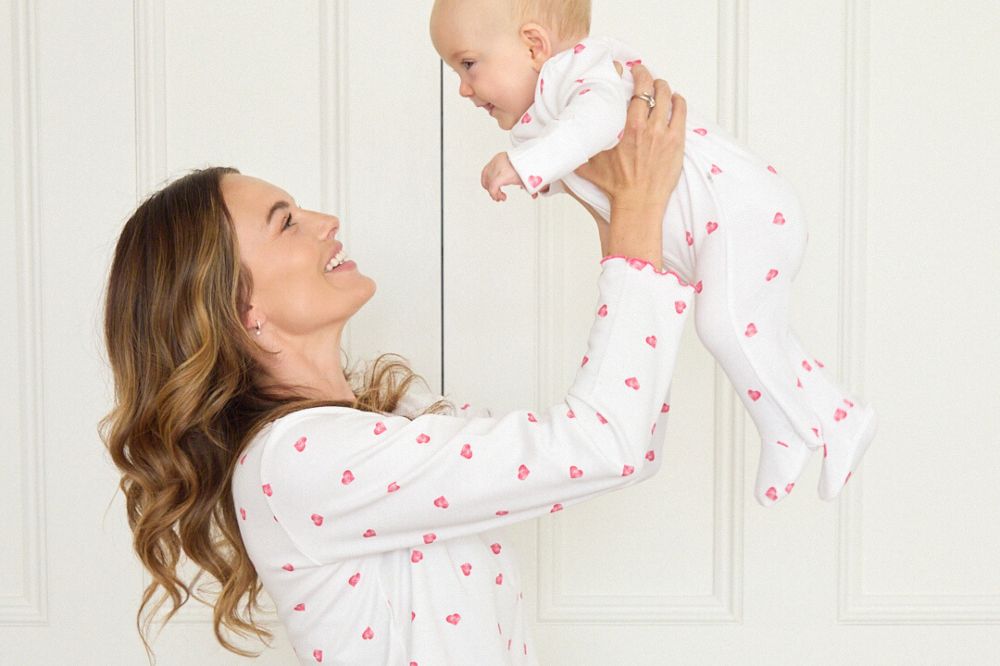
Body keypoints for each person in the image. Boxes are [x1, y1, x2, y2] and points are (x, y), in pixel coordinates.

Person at [101, 64, 690, 664]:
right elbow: (600, 444)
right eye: (286, 223)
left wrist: (616, 198)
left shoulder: (387, 420)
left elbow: (617, 442)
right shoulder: (298, 459)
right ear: (239, 305)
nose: (326, 222)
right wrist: (637, 205)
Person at [429, 0, 878, 506]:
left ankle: (787, 430)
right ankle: (841, 418)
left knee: (724, 326)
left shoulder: (579, 71)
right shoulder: (542, 113)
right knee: (763, 337)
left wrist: (525, 164)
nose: (463, 89)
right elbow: (581, 163)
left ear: (535, 45)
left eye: (468, 65)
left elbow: (597, 125)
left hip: (742, 212)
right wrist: (540, 169)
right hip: (710, 236)